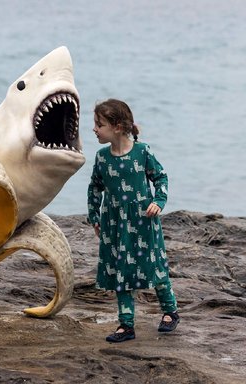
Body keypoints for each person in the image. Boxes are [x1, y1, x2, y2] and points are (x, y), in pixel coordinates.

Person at [87, 98, 179, 343]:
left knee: (155, 267)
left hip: (143, 222)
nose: (94, 129)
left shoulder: (142, 152)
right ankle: (126, 325)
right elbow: (95, 188)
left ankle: (170, 311)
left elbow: (161, 178)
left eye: (99, 124)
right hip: (114, 224)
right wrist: (94, 217)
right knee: (121, 270)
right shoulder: (102, 157)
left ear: (117, 127)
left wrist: (158, 202)